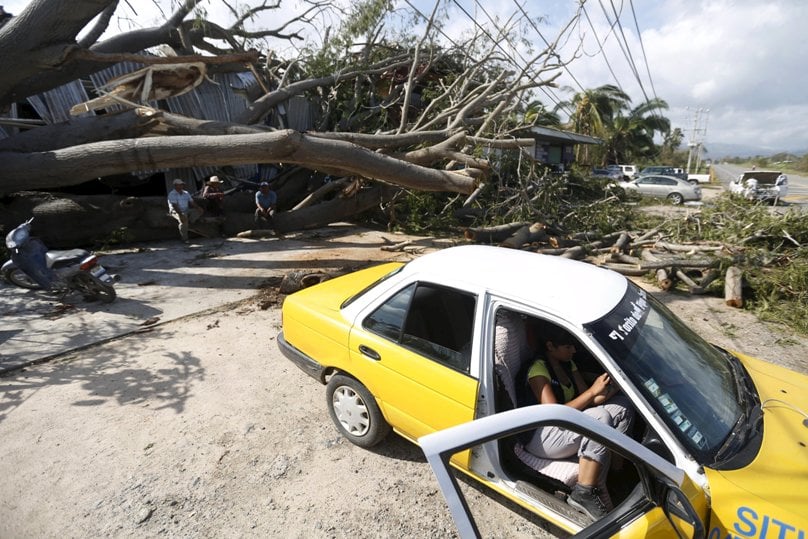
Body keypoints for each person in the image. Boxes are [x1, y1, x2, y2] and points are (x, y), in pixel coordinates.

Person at [524, 327, 634, 520]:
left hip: (566, 423)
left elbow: (589, 400)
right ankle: (584, 492)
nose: (573, 350)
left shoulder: (568, 363)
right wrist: (592, 392)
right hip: (540, 436)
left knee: (622, 407)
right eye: (568, 346)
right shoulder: (538, 370)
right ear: (550, 346)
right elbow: (553, 415)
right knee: (601, 417)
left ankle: (617, 474)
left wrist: (612, 387)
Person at [167, 178, 203, 242]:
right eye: (179, 185)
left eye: (182, 185)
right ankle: (184, 238)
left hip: (186, 210)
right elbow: (174, 206)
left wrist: (198, 208)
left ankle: (190, 221)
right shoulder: (172, 194)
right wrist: (180, 214)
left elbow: (192, 202)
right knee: (183, 219)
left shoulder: (186, 193)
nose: (181, 186)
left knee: (199, 211)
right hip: (175, 211)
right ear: (175, 185)